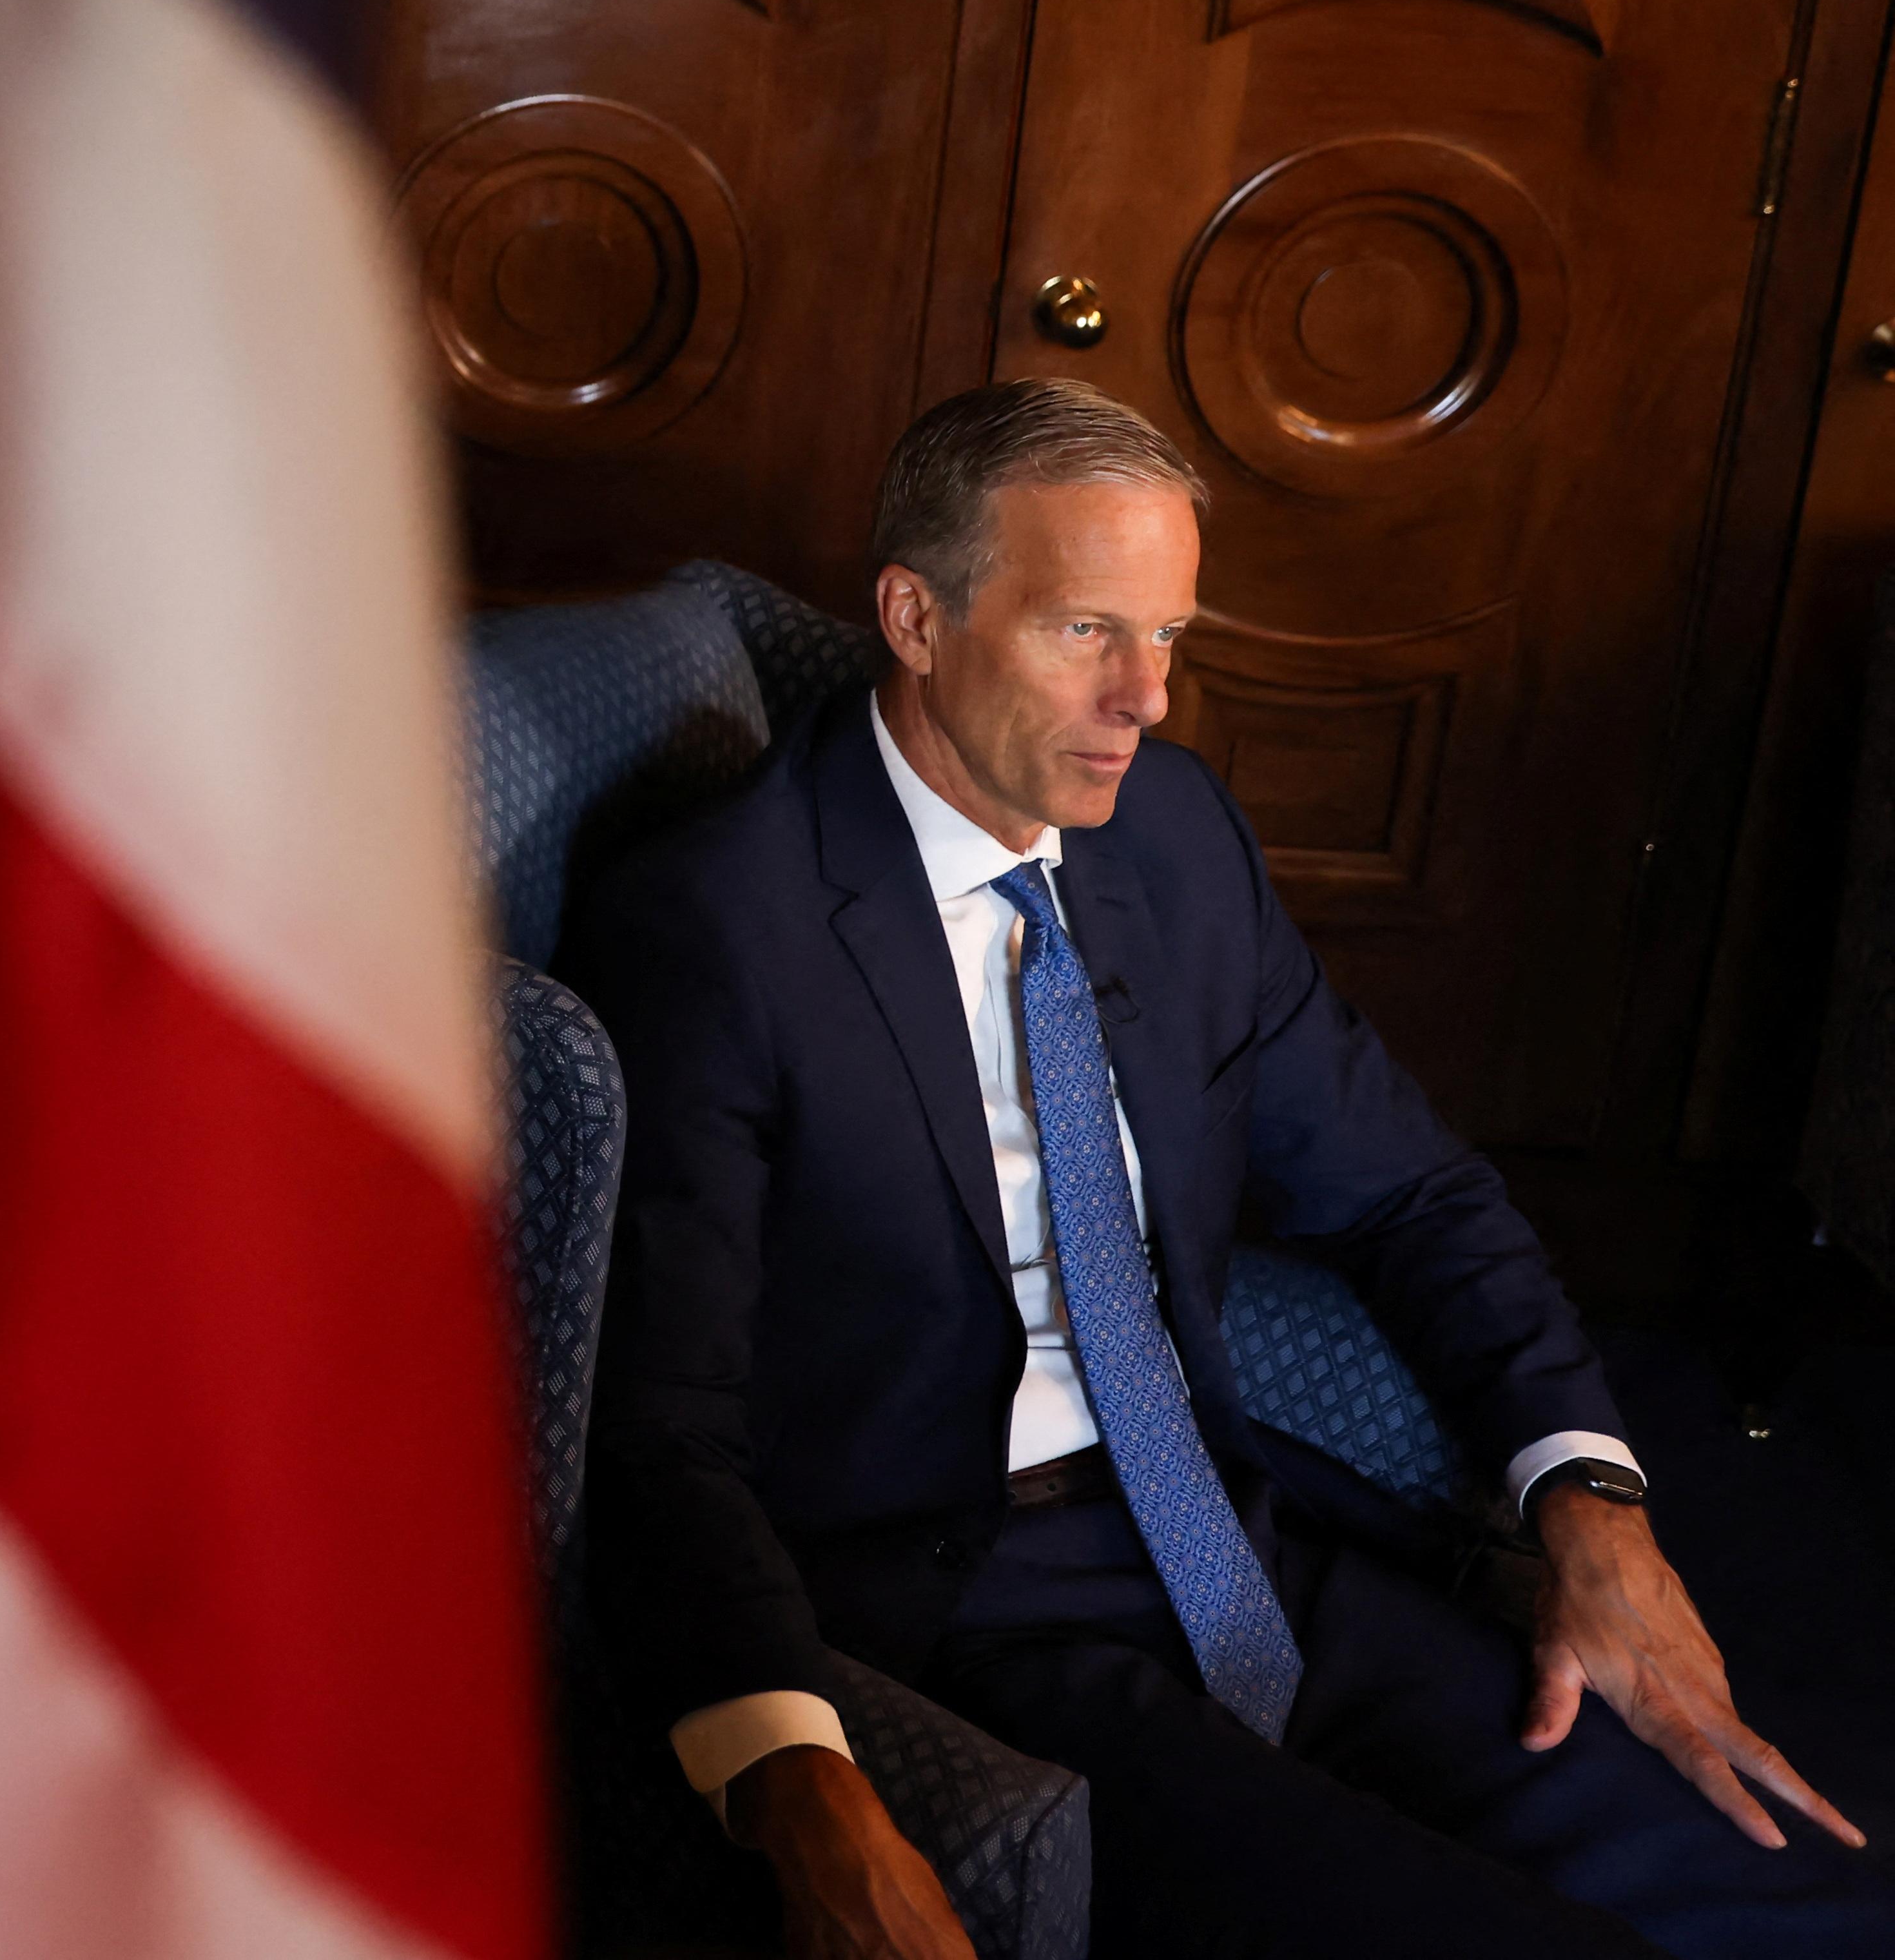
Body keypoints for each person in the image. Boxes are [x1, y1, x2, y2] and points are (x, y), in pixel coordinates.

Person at [561, 380, 1885, 1958]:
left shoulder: (1172, 837)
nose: (1150, 696)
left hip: (1228, 1525)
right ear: (914, 614)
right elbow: (664, 1434)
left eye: (1171, 633)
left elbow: (1409, 1192)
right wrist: (794, 1780)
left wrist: (1592, 1503)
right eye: (1086, 631)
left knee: (1768, 1880)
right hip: (974, 1602)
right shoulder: (714, 926)